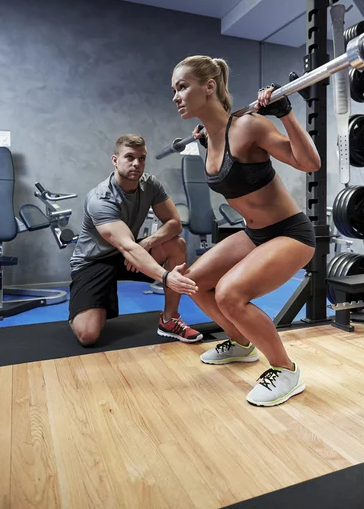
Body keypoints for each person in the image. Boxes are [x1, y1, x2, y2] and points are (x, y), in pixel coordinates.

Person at [171, 56, 321, 407]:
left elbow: (309, 163)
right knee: (194, 281)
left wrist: (285, 113)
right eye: (174, 90)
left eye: (182, 87)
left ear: (209, 87)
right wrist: (208, 136)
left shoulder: (247, 125)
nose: (176, 96)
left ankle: (286, 370)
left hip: (290, 233)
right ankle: (241, 343)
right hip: (254, 233)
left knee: (229, 294)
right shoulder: (210, 138)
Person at [69, 134, 201, 346]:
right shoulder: (100, 198)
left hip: (128, 252)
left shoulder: (150, 184)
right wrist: (167, 277)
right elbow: (126, 245)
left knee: (176, 244)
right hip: (93, 261)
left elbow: (174, 223)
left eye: (141, 158)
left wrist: (147, 243)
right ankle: (82, 308)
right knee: (88, 335)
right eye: (129, 157)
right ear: (115, 160)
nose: (136, 164)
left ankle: (169, 320)